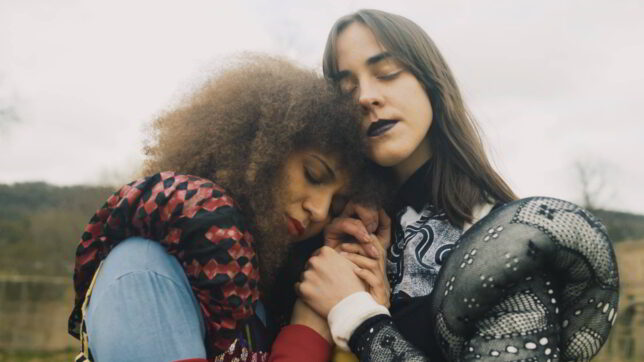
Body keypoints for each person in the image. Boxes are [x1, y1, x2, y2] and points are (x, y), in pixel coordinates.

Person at [296, 9, 620, 361]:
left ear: (431, 82)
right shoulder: (326, 228)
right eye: (346, 90)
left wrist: (357, 316)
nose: (364, 97)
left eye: (386, 73)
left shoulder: (504, 242)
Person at [67, 55, 386, 362]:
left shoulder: (254, 291)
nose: (319, 210)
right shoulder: (146, 271)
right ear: (254, 147)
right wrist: (308, 325)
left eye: (336, 206)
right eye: (313, 175)